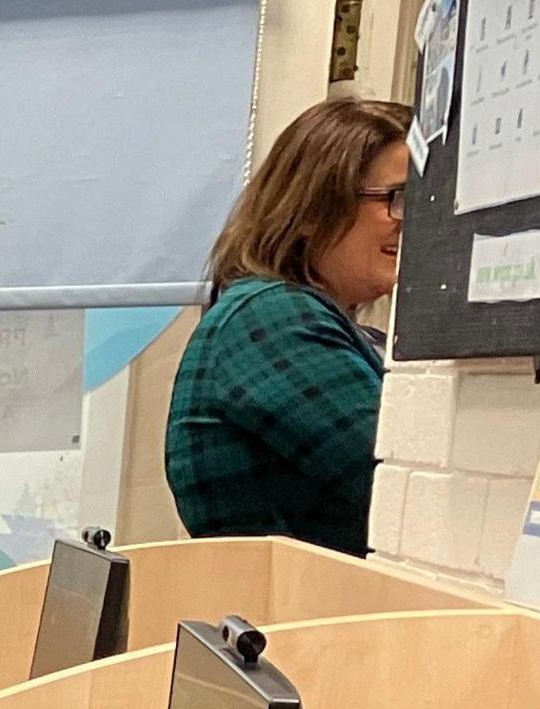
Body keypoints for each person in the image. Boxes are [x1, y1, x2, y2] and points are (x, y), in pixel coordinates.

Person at [165, 98, 414, 558]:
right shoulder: (271, 318)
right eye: (397, 198)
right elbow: (406, 493)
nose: (414, 221)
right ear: (313, 208)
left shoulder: (307, 321)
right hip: (299, 620)